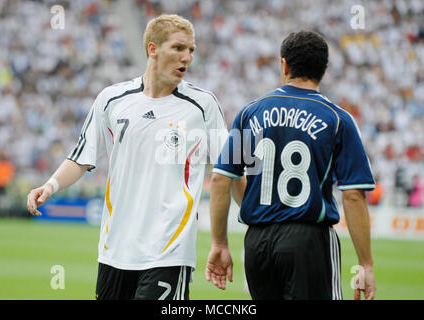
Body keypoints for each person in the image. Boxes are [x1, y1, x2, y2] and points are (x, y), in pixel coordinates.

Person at [27, 14, 230, 300]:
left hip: (168, 251)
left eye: (191, 50)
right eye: (179, 48)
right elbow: (81, 157)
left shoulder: (203, 105)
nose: (188, 57)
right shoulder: (112, 99)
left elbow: (229, 170)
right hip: (115, 250)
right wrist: (50, 185)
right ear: (152, 49)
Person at [206, 31, 376, 300]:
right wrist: (365, 264)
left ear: (284, 65)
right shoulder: (337, 119)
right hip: (307, 240)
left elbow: (221, 179)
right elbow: (353, 194)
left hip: (257, 242)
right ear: (324, 70)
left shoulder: (250, 112)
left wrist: (219, 243)